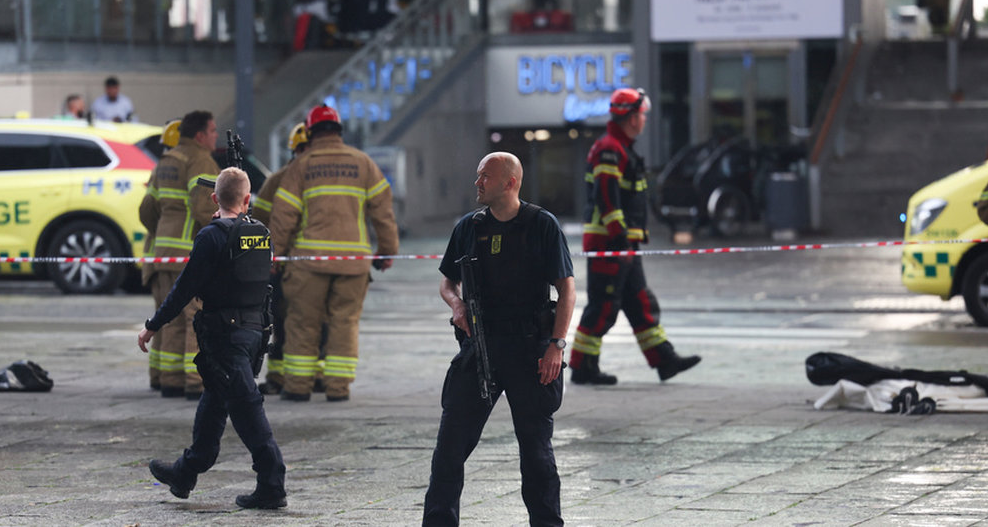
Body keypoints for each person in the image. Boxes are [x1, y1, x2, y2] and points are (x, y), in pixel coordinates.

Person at [422, 151, 575, 527]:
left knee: (536, 453)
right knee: (449, 448)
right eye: (478, 175)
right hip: (480, 348)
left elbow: (567, 290)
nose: (477, 182)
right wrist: (457, 305)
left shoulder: (541, 225)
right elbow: (447, 282)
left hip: (529, 349)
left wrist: (556, 345)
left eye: (485, 176)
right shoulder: (469, 227)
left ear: (510, 182)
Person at [140, 167, 287, 511]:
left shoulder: (211, 236)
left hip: (226, 335)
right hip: (255, 333)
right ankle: (186, 471)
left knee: (246, 409)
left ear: (212, 198)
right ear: (248, 199)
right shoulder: (261, 233)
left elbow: (184, 288)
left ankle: (272, 484)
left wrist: (153, 325)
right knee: (216, 398)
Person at [568, 88, 701, 386]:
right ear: (630, 118)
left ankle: (664, 360)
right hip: (610, 244)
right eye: (641, 115)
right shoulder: (609, 149)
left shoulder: (619, 147)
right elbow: (606, 196)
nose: (644, 120)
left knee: (640, 301)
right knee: (603, 305)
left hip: (623, 243)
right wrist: (619, 237)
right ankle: (582, 366)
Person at [268, 105, 399, 402]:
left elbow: (284, 216)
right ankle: (338, 388)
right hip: (353, 263)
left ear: (310, 132)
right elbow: (383, 212)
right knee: (345, 323)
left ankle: (298, 387)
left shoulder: (301, 166)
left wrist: (276, 255)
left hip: (309, 262)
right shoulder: (363, 163)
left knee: (303, 323)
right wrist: (387, 250)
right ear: (339, 130)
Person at [138, 111, 220, 399]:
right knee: (195, 318)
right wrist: (220, 236)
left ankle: (169, 379)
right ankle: (195, 382)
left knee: (169, 317)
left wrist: (163, 231)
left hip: (162, 251)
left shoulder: (166, 161)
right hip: (188, 252)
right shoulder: (200, 160)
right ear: (200, 135)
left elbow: (147, 210)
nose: (216, 136)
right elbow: (203, 208)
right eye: (213, 131)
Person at [250, 123, 310, 395]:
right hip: (295, 265)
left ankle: (284, 378)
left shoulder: (279, 179)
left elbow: (260, 221)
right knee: (291, 323)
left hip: (287, 264)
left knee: (287, 324)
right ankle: (287, 377)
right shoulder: (319, 177)